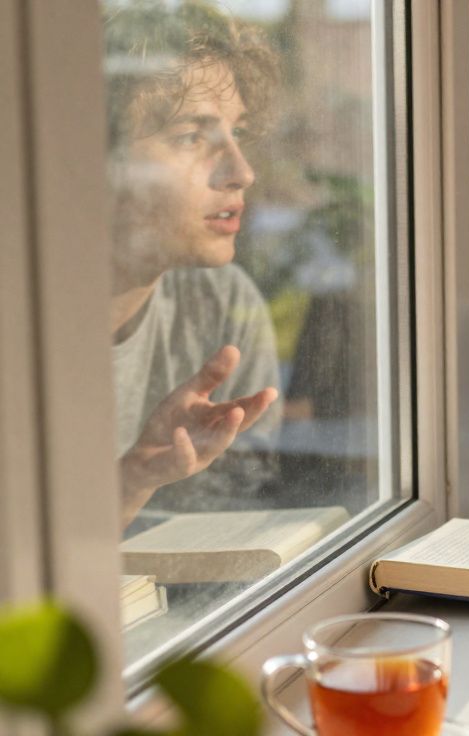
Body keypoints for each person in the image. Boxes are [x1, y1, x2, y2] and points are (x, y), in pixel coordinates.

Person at [105, 1, 281, 530]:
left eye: (237, 134)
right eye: (190, 137)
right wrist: (130, 481)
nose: (242, 172)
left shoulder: (222, 302)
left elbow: (240, 538)